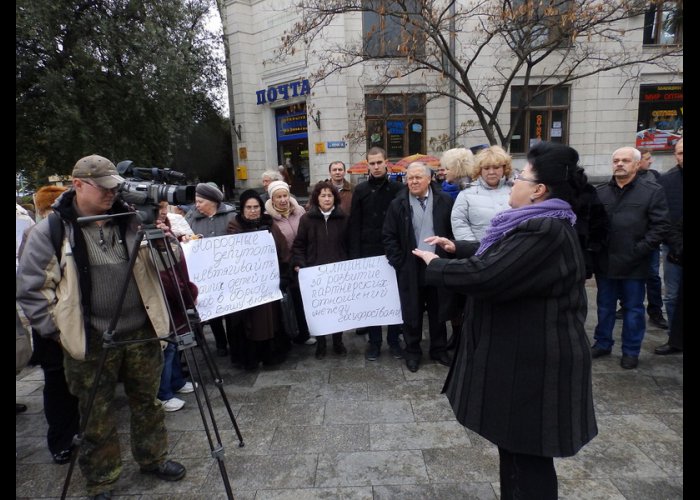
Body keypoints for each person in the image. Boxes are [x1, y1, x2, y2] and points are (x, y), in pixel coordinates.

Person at [413, 141, 597, 500]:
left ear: (539, 191)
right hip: (525, 359)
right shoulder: (539, 222)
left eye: (521, 178)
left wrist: (437, 267)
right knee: (516, 450)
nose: (514, 183)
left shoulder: (544, 228)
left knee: (527, 458)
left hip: (534, 364)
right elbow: (505, 260)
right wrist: (459, 248)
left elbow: (488, 275)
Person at [17, 155, 185, 499]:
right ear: (77, 184)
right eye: (103, 187)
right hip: (91, 337)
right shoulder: (52, 229)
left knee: (147, 402)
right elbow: (32, 288)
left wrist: (160, 236)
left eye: (115, 186)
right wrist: (58, 331)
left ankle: (153, 458)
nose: (111, 193)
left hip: (141, 330)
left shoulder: (130, 219)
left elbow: (169, 263)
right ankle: (102, 479)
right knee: (96, 413)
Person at [591, 147, 670, 369]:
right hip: (606, 262)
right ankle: (603, 343)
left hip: (635, 263)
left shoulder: (651, 191)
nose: (619, 164)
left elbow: (660, 225)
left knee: (633, 309)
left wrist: (640, 250)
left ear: (636, 165)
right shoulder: (601, 192)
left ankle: (631, 350)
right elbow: (594, 224)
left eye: (625, 160)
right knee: (604, 306)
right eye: (616, 160)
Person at [18, 185, 80, 464]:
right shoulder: (41, 233)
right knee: (57, 382)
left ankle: (78, 431)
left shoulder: (78, 225)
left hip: (76, 322)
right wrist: (52, 327)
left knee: (77, 380)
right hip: (53, 327)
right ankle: (61, 440)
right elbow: (32, 284)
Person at [383, 163, 454, 372]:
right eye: (409, 178)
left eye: (417, 178)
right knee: (411, 309)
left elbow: (452, 231)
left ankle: (438, 349)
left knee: (438, 308)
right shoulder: (398, 204)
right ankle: (412, 351)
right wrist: (400, 262)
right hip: (410, 267)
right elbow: (389, 236)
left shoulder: (445, 201)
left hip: (437, 263)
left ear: (429, 178)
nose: (413, 182)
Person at [348, 146, 405, 360]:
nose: (376, 166)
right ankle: (374, 341)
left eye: (379, 162)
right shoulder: (360, 190)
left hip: (393, 251)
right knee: (371, 301)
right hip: (368, 253)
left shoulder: (398, 189)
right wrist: (355, 256)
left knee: (394, 298)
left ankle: (393, 340)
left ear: (386, 162)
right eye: (372, 163)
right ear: (367, 165)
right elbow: (355, 224)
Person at [228, 190, 289, 369]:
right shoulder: (234, 227)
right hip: (246, 286)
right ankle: (250, 358)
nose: (253, 211)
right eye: (249, 207)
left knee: (270, 321)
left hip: (269, 283)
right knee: (250, 323)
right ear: (242, 209)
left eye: (256, 207)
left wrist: (284, 274)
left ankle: (270, 355)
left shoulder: (269, 224)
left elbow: (282, 248)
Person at [292, 181, 349, 359]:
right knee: (320, 311)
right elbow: (299, 245)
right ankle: (322, 343)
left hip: (338, 272)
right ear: (317, 198)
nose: (326, 198)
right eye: (323, 195)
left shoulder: (344, 218)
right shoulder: (307, 219)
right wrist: (299, 263)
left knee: (338, 308)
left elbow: (350, 243)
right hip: (315, 273)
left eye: (329, 195)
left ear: (335, 197)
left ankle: (338, 341)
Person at [616, 147, 667, 329]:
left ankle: (655, 311)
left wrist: (644, 245)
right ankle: (624, 305)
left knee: (652, 277)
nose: (650, 161)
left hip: (646, 245)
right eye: (647, 158)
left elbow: (660, 221)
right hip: (624, 246)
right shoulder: (613, 185)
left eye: (649, 158)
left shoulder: (655, 181)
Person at [154, 202, 198, 411]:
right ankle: (163, 393)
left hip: (175, 295)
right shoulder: (148, 230)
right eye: (158, 210)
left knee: (174, 342)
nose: (163, 213)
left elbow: (175, 259)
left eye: (164, 208)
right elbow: (163, 270)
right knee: (166, 346)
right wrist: (187, 292)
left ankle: (176, 382)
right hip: (163, 297)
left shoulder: (167, 226)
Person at [185, 182, 237, 359]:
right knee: (211, 308)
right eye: (196, 201)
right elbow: (184, 239)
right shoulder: (191, 218)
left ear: (212, 201)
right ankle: (220, 343)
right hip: (206, 274)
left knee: (231, 308)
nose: (197, 205)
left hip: (229, 271)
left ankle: (234, 340)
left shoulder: (231, 215)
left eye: (200, 201)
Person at [264, 180, 314, 345]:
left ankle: (309, 330)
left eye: (285, 195)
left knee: (306, 298)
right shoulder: (268, 218)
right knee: (292, 301)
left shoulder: (300, 211)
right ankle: (297, 331)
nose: (283, 200)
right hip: (285, 264)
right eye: (278, 197)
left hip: (304, 261)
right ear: (272, 199)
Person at [451, 145, 512, 242]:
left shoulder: (515, 190)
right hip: (479, 253)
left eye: (496, 167)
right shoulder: (467, 194)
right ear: (480, 170)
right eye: (486, 168)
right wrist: (473, 247)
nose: (491, 172)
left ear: (504, 168)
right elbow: (459, 222)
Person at [656, 138, 683, 353]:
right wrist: (677, 245)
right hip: (674, 249)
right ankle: (675, 339)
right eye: (680, 152)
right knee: (672, 295)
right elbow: (663, 218)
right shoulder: (667, 181)